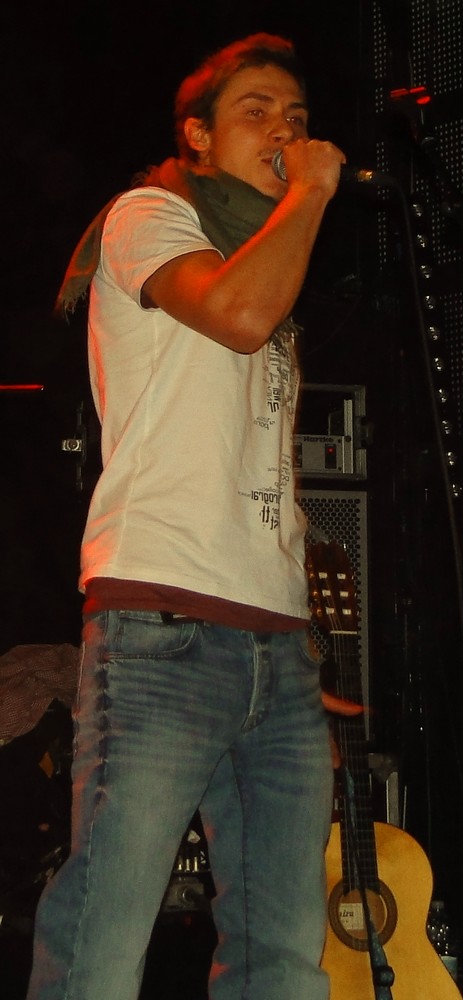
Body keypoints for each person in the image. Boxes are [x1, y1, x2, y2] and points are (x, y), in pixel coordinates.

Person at [26, 32, 346, 1000]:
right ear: (197, 136)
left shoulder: (267, 258)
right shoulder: (148, 216)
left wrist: (299, 632)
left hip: (274, 649)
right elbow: (236, 317)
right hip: (161, 628)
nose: (285, 130)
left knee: (283, 954)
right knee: (104, 940)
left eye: (297, 116)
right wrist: (311, 193)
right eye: (257, 111)